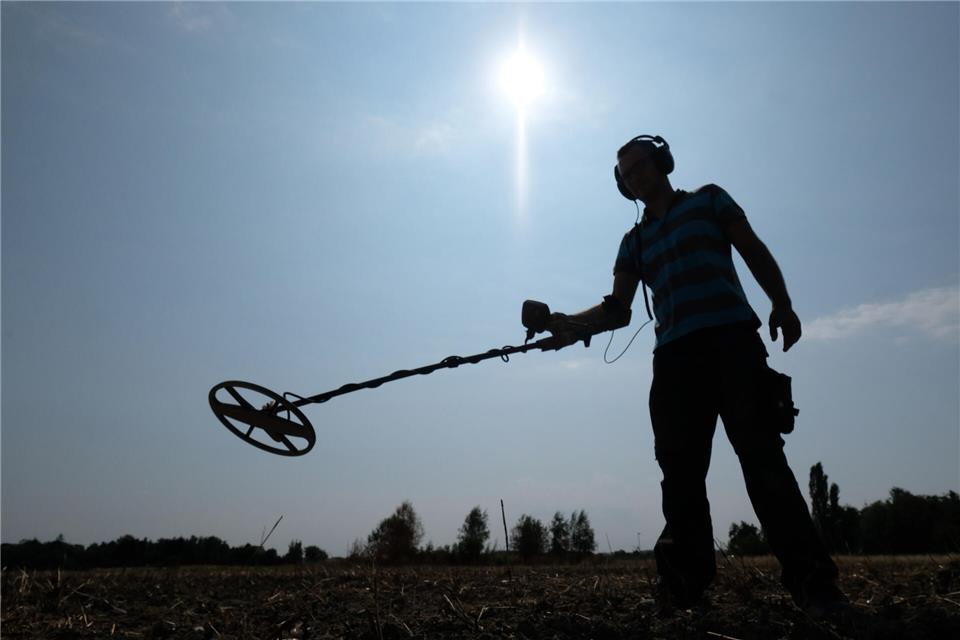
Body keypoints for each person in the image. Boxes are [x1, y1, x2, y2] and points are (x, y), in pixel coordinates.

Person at [543, 135, 846, 617]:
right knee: (680, 479)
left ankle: (816, 587)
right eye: (626, 174)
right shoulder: (633, 242)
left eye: (641, 165)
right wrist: (567, 325)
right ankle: (682, 588)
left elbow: (752, 248)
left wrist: (782, 302)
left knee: (764, 463)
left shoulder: (709, 199)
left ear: (663, 162)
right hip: (675, 362)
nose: (635, 176)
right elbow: (618, 309)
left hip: (733, 345)